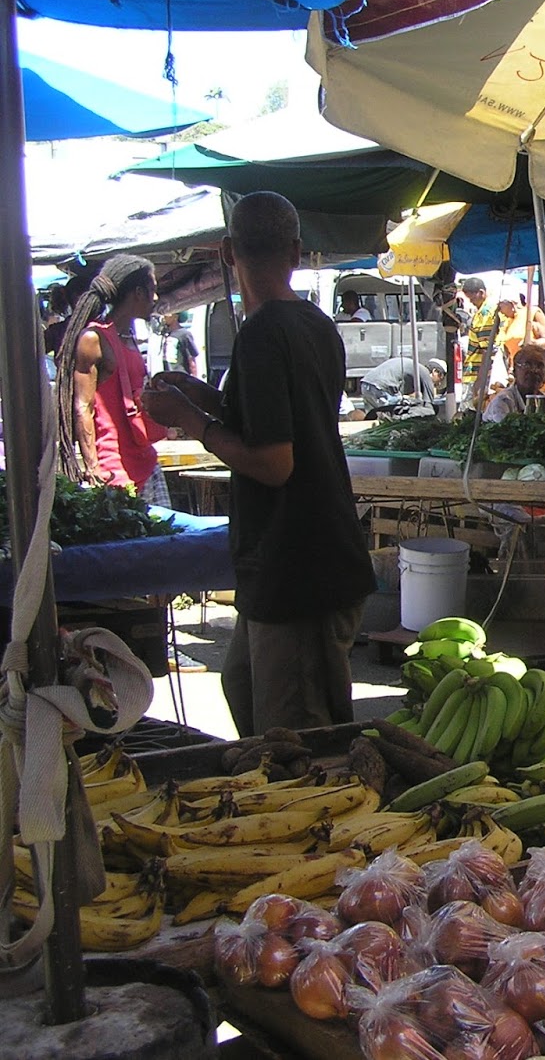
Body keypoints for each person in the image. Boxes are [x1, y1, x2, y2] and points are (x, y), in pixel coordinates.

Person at [144, 191, 376, 737]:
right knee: (244, 686)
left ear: (227, 252)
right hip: (300, 558)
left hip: (298, 563)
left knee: (297, 742)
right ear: (297, 252)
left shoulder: (263, 334)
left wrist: (192, 421)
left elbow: (275, 462)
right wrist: (200, 394)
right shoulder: (313, 325)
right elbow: (279, 419)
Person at [53, 254, 170, 505]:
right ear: (138, 292)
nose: (156, 298)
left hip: (146, 463)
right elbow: (82, 406)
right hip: (114, 472)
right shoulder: (94, 339)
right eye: (153, 290)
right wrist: (92, 467)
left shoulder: (129, 337)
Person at [484, 343, 545, 423]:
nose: (534, 371)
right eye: (527, 365)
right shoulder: (503, 401)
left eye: (540, 366)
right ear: (515, 370)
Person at [359, 356, 446, 412]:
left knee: (373, 419)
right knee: (392, 417)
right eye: (440, 378)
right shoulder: (425, 373)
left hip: (366, 384)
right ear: (435, 371)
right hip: (380, 387)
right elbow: (429, 406)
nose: (439, 384)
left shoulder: (417, 369)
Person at [459, 276, 497, 391]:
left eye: (472, 299)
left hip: (477, 375)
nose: (471, 302)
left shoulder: (485, 314)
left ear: (481, 293)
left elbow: (487, 349)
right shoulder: (486, 311)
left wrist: (479, 381)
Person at [161, 310, 201, 377]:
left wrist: (194, 379)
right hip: (170, 376)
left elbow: (191, 360)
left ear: (175, 317)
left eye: (168, 315)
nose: (165, 317)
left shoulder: (184, 334)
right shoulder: (168, 334)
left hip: (181, 377)